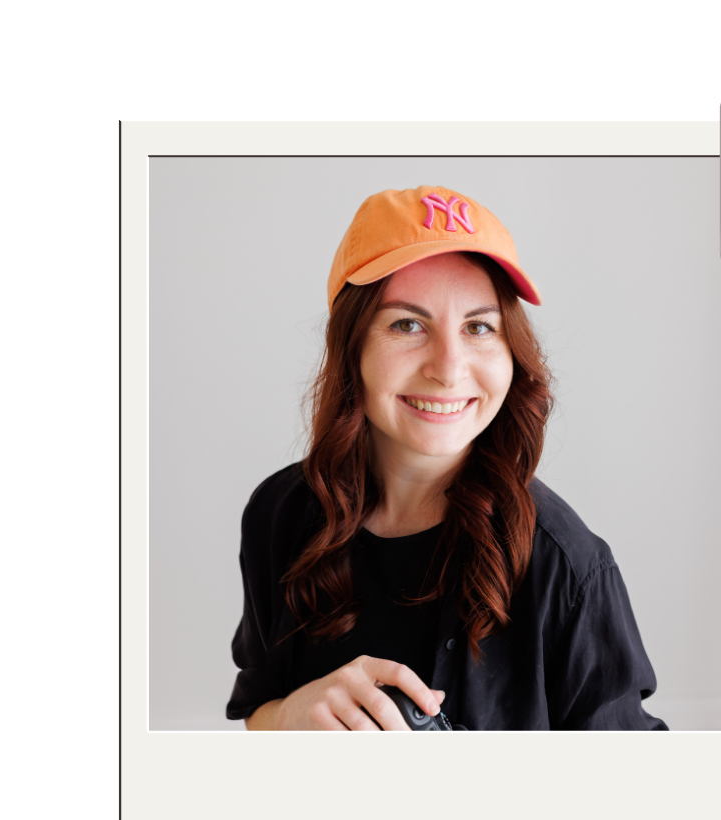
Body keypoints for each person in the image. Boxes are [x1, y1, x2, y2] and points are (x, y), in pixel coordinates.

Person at [227, 185, 667, 731]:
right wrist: (294, 713)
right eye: (407, 324)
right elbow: (258, 710)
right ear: (352, 349)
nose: (449, 367)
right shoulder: (280, 514)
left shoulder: (565, 565)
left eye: (479, 327)